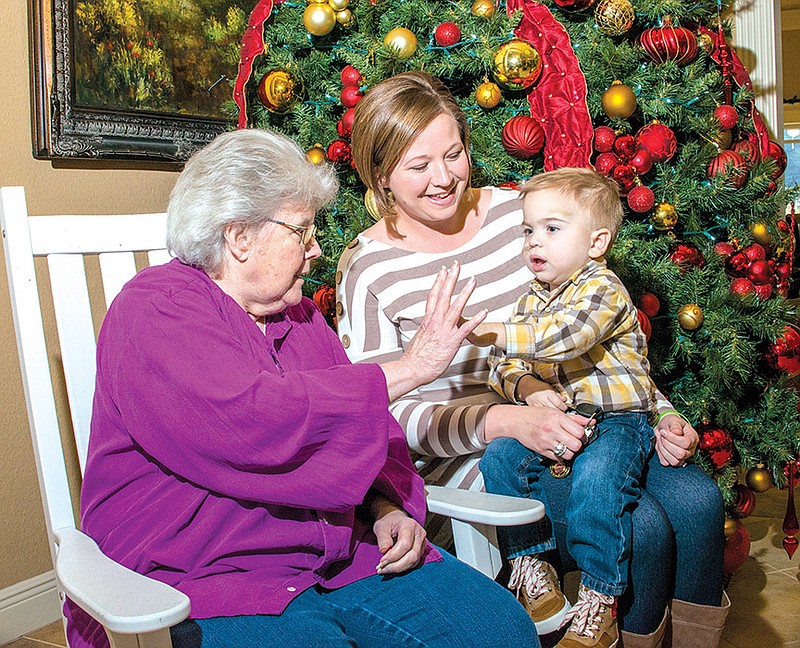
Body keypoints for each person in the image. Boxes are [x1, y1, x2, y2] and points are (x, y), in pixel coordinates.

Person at [65, 128, 541, 648]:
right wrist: (410, 368)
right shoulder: (155, 309)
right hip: (207, 575)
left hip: (340, 558)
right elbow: (256, 421)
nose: (315, 249)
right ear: (239, 237)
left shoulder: (301, 316)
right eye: (302, 230)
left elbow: (370, 435)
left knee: (500, 630)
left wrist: (386, 509)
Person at [337, 71, 729, 648]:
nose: (444, 178)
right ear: (379, 174)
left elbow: (595, 325)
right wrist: (506, 420)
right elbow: (382, 414)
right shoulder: (369, 268)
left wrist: (662, 411)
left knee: (698, 503)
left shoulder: (523, 214)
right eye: (418, 167)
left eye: (454, 154)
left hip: (589, 416)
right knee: (642, 527)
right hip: (480, 458)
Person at [469, 167, 669, 647]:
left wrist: (489, 328)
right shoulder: (528, 301)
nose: (534, 241)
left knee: (597, 485)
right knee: (498, 460)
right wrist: (528, 386)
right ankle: (530, 564)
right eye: (528, 230)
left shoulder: (603, 290)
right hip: (561, 418)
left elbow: (565, 337)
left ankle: (600, 600)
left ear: (596, 242)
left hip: (618, 421)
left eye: (552, 229)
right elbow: (501, 367)